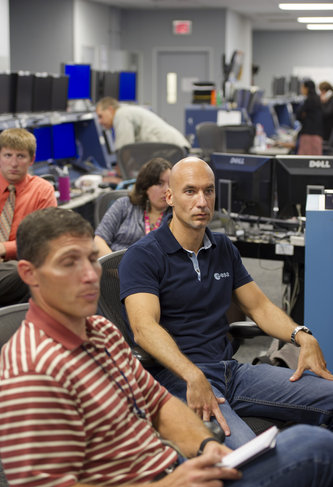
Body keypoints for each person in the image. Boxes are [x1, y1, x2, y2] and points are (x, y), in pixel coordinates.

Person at [1, 207, 333, 487]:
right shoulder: (31, 369)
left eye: (90, 258)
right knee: (313, 448)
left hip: (172, 473)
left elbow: (157, 402)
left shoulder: (101, 333)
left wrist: (206, 447)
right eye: (69, 263)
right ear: (29, 274)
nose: (90, 275)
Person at [119, 156, 333, 450]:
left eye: (208, 191)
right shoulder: (143, 255)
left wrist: (302, 336)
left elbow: (259, 307)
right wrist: (192, 374)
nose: (202, 201)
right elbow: (143, 328)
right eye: (190, 191)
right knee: (248, 457)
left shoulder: (222, 247)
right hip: (180, 380)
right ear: (169, 197)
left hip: (231, 373)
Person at [0, 127, 57, 306]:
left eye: (20, 156)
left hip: (21, 265)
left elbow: (43, 241)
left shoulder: (42, 190)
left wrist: (3, 248)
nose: (14, 163)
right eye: (8, 155)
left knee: (32, 274)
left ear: (32, 160)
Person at [94, 158, 171, 256]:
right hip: (115, 267)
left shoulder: (176, 214)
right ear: (145, 187)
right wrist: (116, 269)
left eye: (170, 184)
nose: (166, 190)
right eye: (159, 184)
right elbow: (99, 240)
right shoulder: (123, 205)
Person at [96, 97, 191, 152]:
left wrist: (118, 175)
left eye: (100, 116)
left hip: (172, 150)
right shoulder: (127, 111)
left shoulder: (121, 114)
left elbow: (124, 150)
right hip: (175, 148)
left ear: (110, 110)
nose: (99, 121)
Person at [296, 79, 323, 155]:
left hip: (308, 136)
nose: (301, 89)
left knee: (304, 163)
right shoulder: (318, 99)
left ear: (307, 88)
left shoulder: (309, 101)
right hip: (317, 135)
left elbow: (299, 115)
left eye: (302, 87)